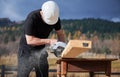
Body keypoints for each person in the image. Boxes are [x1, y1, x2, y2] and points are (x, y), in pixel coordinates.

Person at [17, 1, 65, 77]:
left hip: (41, 51)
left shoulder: (55, 18)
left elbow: (60, 34)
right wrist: (49, 41)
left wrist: (62, 47)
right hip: (26, 51)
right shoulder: (32, 18)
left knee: (43, 75)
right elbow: (30, 40)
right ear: (42, 13)